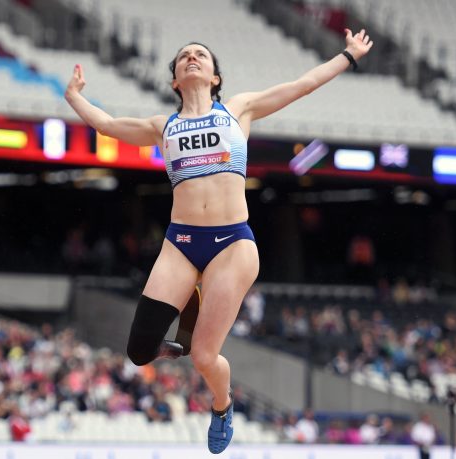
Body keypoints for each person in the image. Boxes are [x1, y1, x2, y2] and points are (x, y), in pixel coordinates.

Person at [65, 29, 373, 454]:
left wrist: (349, 56)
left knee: (206, 358)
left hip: (232, 244)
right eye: (184, 56)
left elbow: (302, 86)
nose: (192, 58)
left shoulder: (238, 110)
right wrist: (74, 97)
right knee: (138, 353)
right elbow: (107, 125)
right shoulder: (163, 126)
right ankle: (190, 295)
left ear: (214, 77)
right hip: (181, 243)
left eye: (201, 55)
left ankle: (223, 405)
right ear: (175, 79)